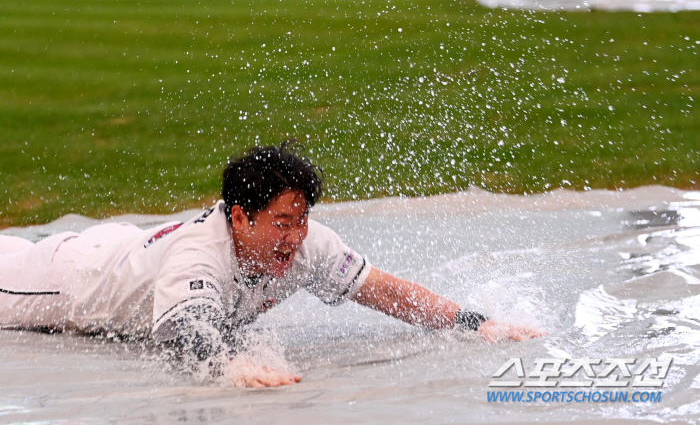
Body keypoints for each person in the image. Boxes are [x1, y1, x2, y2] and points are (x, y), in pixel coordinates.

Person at [0, 142, 544, 388]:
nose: (295, 237)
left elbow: (383, 290)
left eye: (302, 219)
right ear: (239, 217)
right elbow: (187, 335)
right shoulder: (200, 254)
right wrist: (233, 365)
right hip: (57, 280)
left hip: (122, 247)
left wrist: (478, 323)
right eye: (282, 222)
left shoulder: (308, 244)